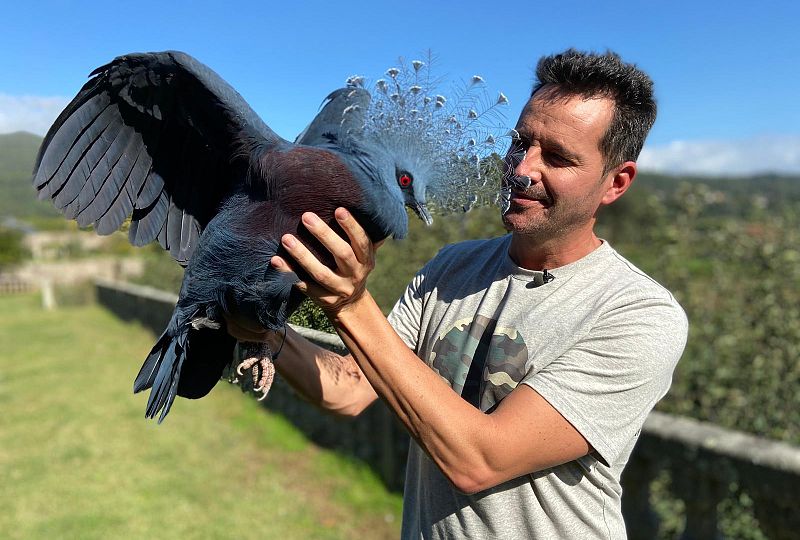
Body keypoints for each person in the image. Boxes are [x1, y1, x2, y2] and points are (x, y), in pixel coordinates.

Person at [227, 49, 688, 539]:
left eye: (557, 157)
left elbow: (480, 460)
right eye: (520, 143)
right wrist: (260, 330)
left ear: (616, 183)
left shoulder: (640, 315)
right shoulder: (452, 267)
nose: (523, 169)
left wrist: (349, 304)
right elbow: (350, 388)